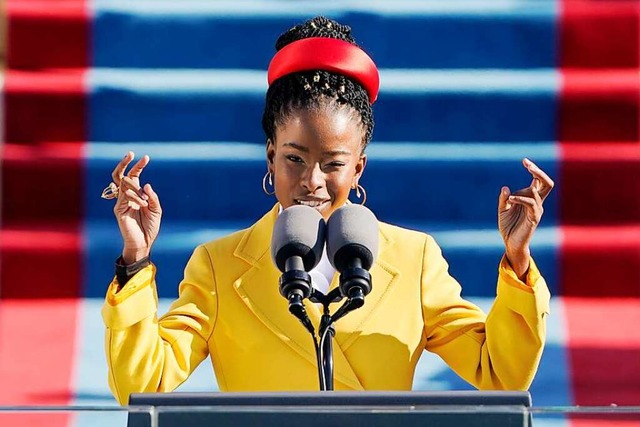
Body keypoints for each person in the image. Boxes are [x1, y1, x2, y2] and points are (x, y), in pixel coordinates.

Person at [101, 16, 553, 406]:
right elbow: (141, 385)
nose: (312, 181)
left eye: (333, 164)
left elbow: (500, 371)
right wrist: (135, 260)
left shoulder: (414, 259)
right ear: (270, 157)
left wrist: (517, 260)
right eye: (294, 158)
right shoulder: (218, 267)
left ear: (358, 168)